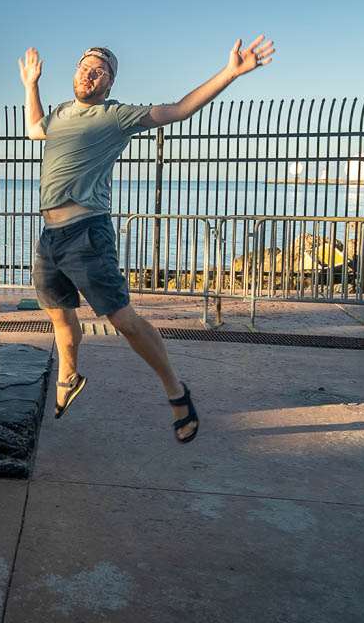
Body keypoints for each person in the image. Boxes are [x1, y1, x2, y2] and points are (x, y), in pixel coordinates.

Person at [19, 39, 274, 443]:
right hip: (50, 236)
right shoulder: (61, 113)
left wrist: (230, 73)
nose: (89, 73)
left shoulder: (116, 116)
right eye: (84, 66)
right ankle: (69, 375)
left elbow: (179, 109)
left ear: (109, 82)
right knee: (60, 317)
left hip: (87, 232)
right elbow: (35, 130)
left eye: (99, 70)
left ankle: (177, 391)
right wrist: (31, 83)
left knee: (123, 321)